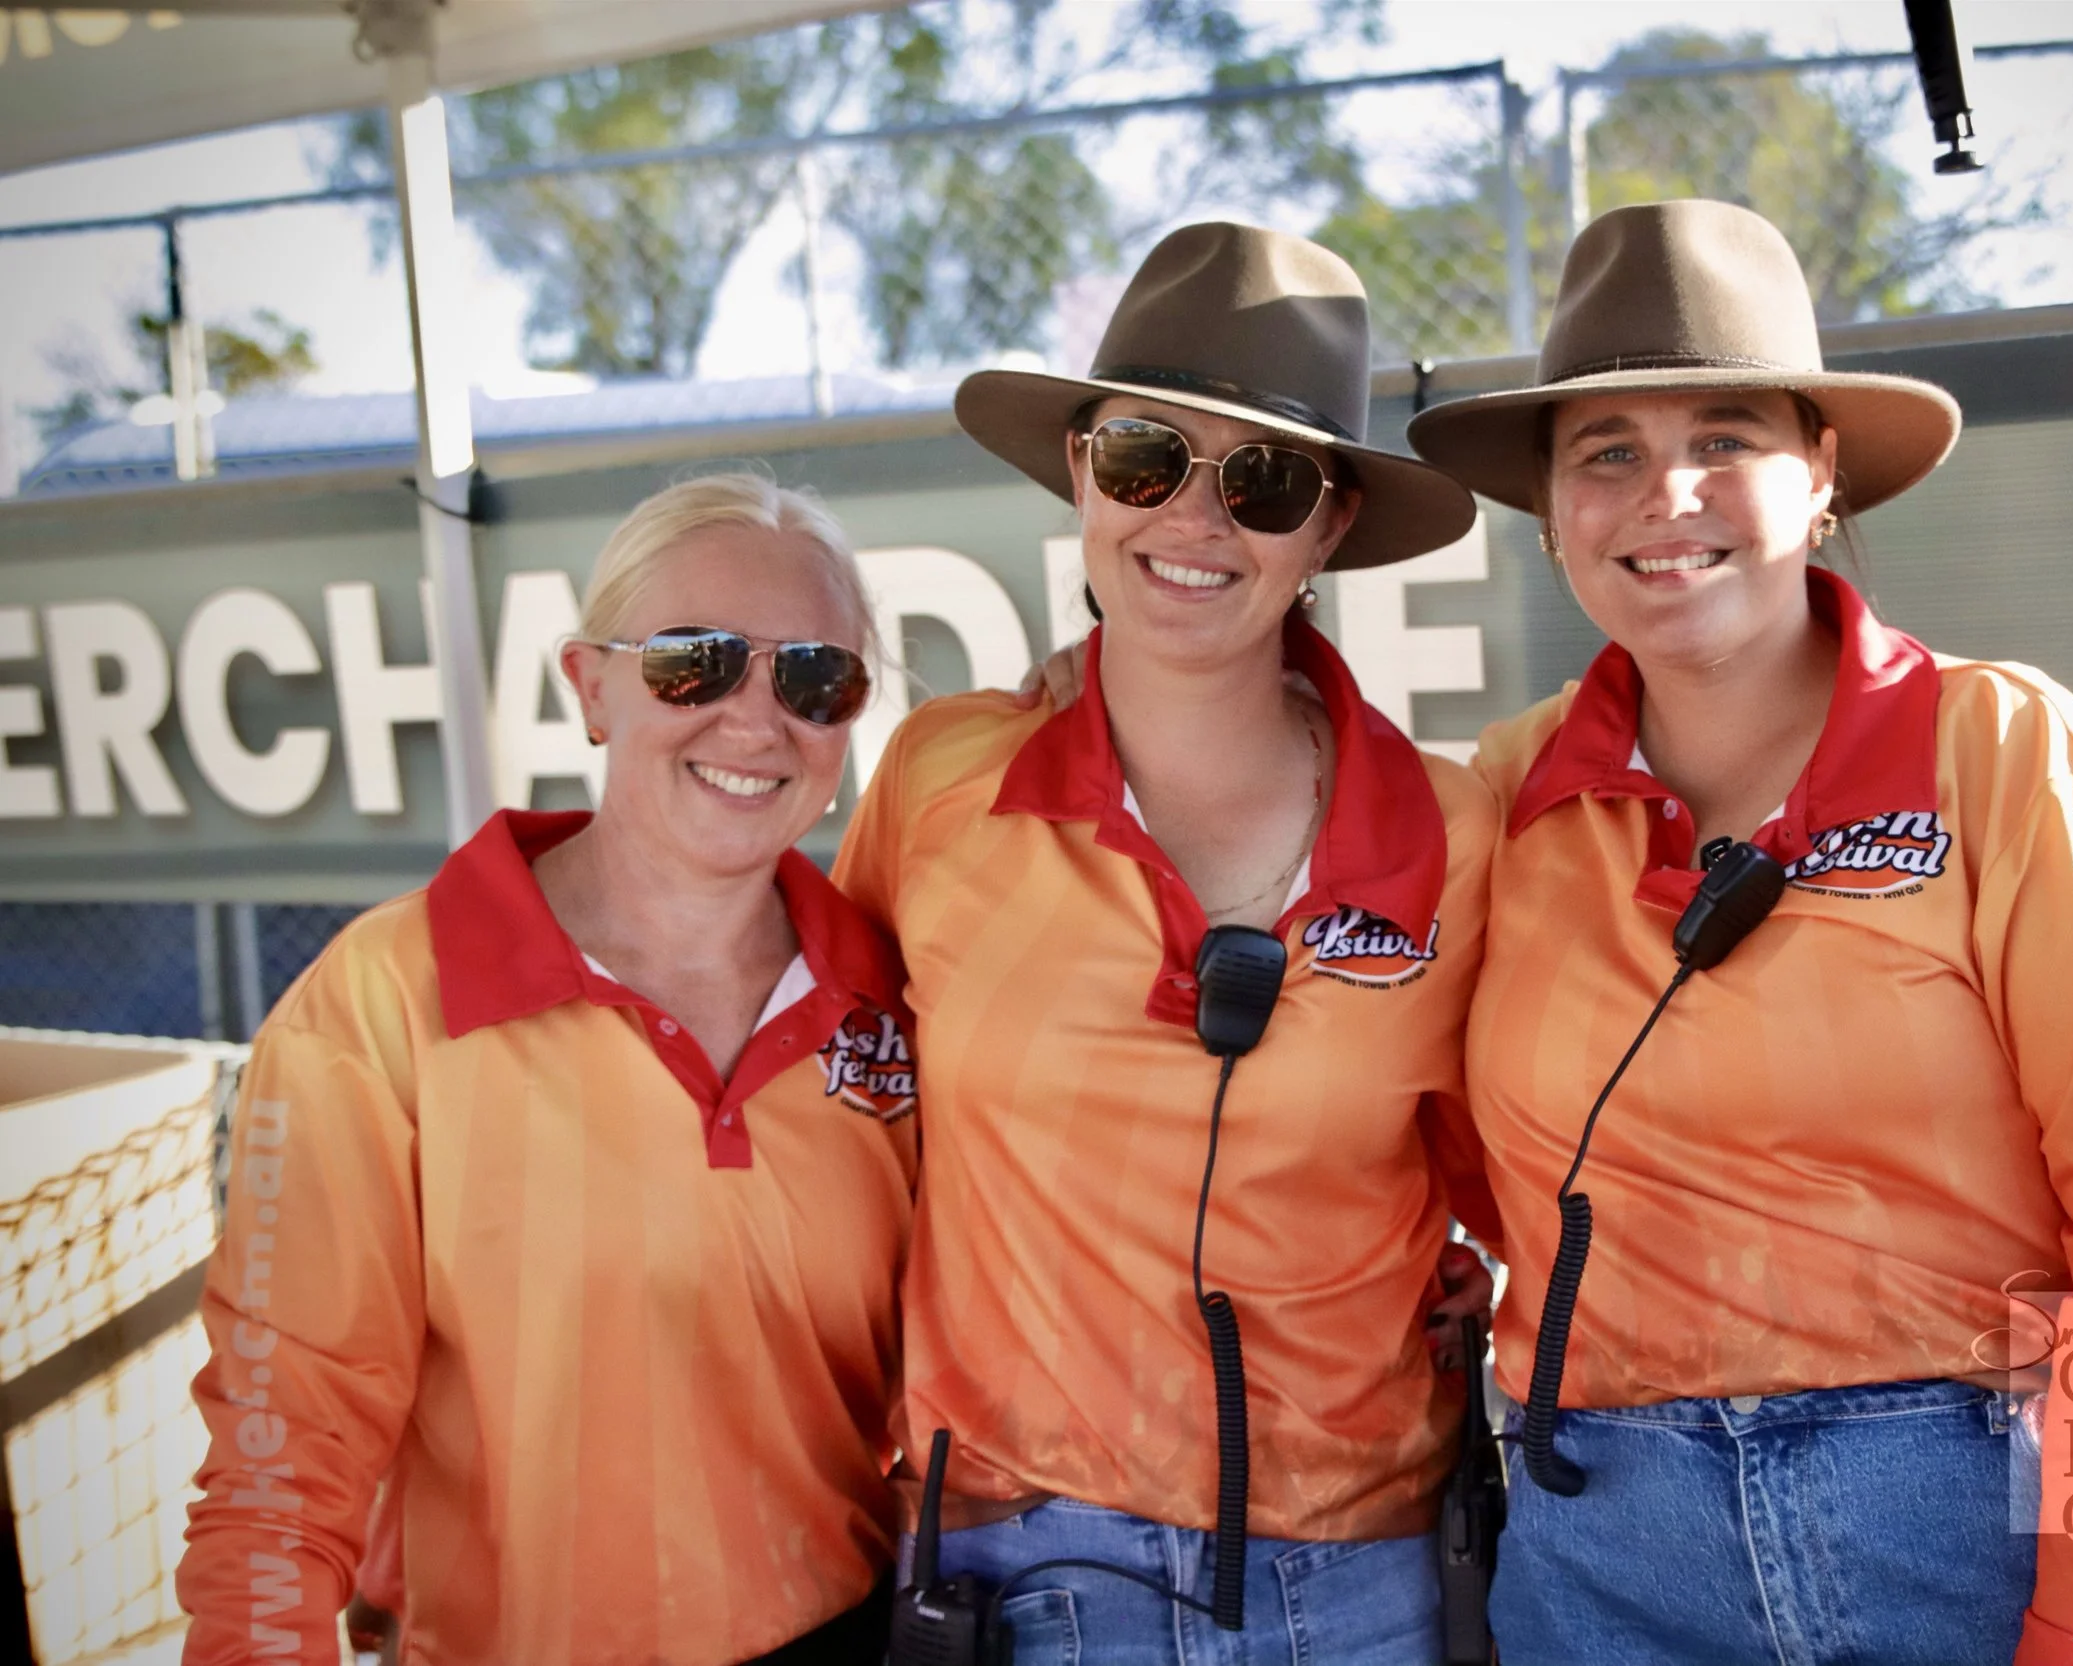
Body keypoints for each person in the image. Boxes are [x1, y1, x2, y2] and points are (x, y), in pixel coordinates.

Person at [1404, 199, 2073, 1665]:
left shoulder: (2011, 759)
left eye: (1726, 437)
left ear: (1819, 473)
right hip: (1605, 1551)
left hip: (1992, 1527)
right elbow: (1412, 1110)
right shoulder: (1499, 806)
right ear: (1555, 510)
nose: (1663, 491)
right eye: (1605, 451)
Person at [834, 221, 1498, 1666]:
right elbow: (835, 1124)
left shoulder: (1467, 833)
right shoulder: (943, 782)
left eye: (1262, 483)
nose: (1194, 520)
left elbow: (1526, 1162)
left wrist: (1473, 1273)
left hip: (1366, 1572)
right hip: (1022, 1552)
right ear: (1079, 468)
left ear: (1330, 530)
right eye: (1146, 457)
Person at [178, 474, 917, 1665]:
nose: (754, 718)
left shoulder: (892, 999)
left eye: (814, 678)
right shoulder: (385, 999)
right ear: (590, 686)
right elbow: (281, 1452)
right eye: (696, 660)